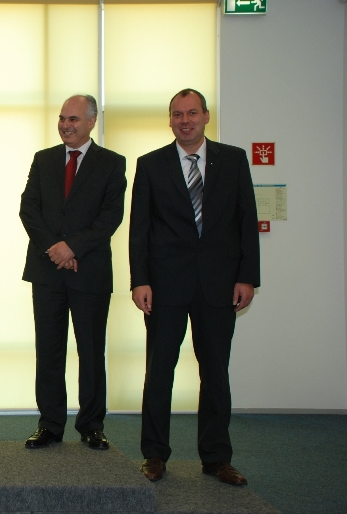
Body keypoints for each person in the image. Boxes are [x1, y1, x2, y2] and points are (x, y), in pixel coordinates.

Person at [129, 89, 260, 485]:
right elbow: (139, 229)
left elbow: (246, 221)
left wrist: (247, 277)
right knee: (159, 372)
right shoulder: (150, 164)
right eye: (177, 114)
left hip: (219, 285)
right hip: (165, 285)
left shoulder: (233, 160)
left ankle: (217, 458)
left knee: (215, 373)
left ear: (206, 116)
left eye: (191, 113)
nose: (184, 121)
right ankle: (154, 455)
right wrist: (140, 280)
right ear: (170, 120)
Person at [19, 94, 126, 450]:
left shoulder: (112, 163)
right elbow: (28, 209)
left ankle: (91, 424)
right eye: (62, 118)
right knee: (49, 351)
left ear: (92, 121)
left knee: (91, 352)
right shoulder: (44, 159)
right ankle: (50, 424)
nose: (66, 125)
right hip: (47, 271)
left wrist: (73, 248)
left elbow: (110, 217)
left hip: (89, 272)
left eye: (74, 119)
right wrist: (56, 249)